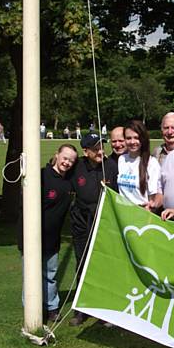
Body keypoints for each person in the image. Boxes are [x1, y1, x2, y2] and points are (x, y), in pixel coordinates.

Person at [18, 144, 78, 322]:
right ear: (57, 155)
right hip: (30, 237)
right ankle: (31, 310)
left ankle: (51, 308)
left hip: (52, 239)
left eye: (71, 160)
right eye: (65, 158)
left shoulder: (69, 182)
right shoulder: (41, 176)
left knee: (50, 274)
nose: (67, 163)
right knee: (31, 275)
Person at [69, 133, 119, 326]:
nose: (100, 151)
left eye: (101, 147)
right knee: (82, 263)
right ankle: (81, 309)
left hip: (103, 222)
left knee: (101, 265)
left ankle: (102, 310)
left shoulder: (110, 166)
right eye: (95, 148)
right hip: (81, 221)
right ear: (85, 151)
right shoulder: (77, 167)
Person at [117, 120, 161, 210]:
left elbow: (153, 198)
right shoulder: (121, 159)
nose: (132, 142)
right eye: (128, 138)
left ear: (143, 139)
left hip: (142, 213)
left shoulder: (152, 163)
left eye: (136, 138)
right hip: (123, 212)